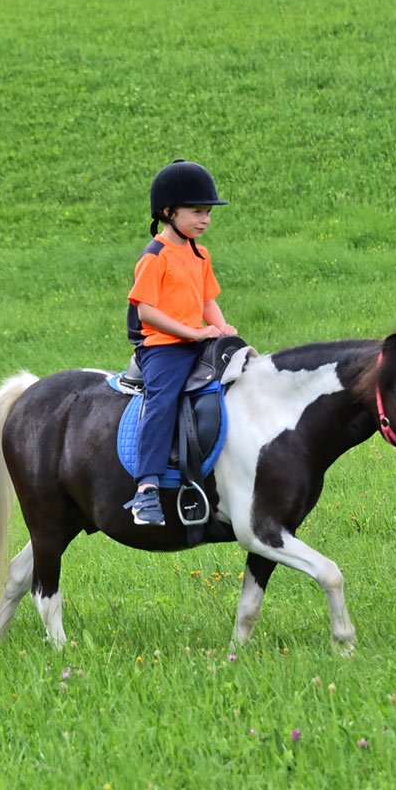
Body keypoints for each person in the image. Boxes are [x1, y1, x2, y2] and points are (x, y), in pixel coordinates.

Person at [123, 160, 238, 527]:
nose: (205, 219)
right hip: (162, 346)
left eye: (208, 212)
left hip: (196, 339)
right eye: (197, 211)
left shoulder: (199, 254)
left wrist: (220, 326)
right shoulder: (155, 256)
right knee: (164, 398)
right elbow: (146, 312)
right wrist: (192, 333)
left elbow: (206, 301)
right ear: (169, 212)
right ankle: (146, 490)